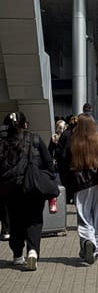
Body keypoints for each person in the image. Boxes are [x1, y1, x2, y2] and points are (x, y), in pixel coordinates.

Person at [0, 111, 55, 270]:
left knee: (15, 221)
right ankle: (32, 251)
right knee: (35, 220)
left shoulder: (3, 141)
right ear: (25, 124)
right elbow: (48, 163)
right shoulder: (35, 139)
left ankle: (17, 255)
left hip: (11, 190)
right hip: (32, 187)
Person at [65, 114, 98, 264]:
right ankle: (96, 248)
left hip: (81, 185)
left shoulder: (73, 142)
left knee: (84, 218)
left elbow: (64, 164)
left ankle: (88, 241)